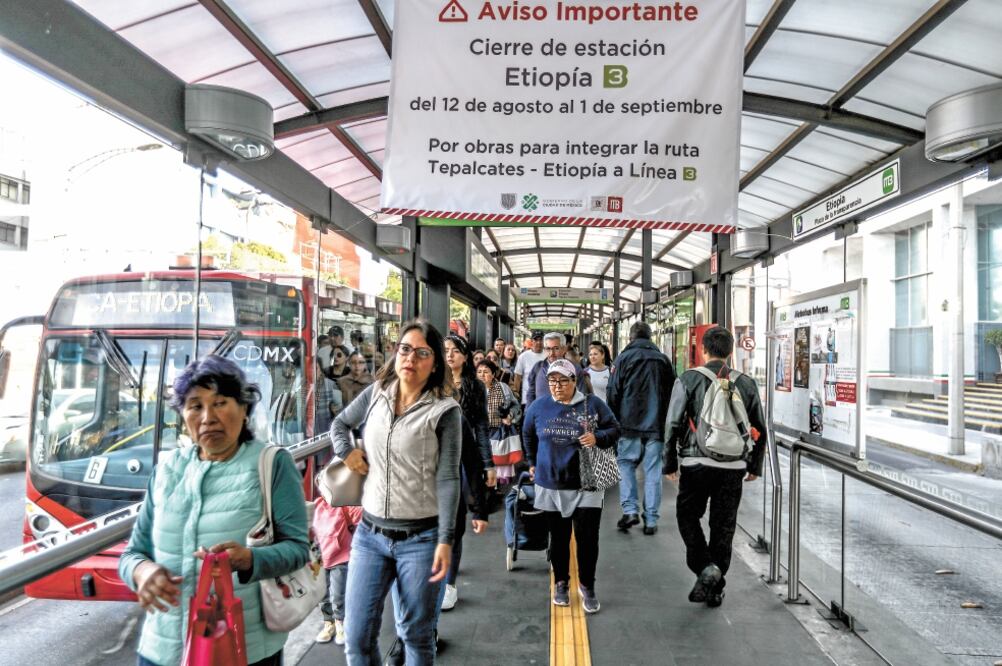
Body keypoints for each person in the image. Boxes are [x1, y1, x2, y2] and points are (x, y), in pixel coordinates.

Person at [119, 355, 310, 666]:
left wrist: (249, 559)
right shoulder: (167, 469)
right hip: (162, 650)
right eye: (195, 406)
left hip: (242, 648)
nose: (208, 417)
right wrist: (142, 572)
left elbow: (298, 549)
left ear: (244, 408)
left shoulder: (272, 464)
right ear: (183, 415)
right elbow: (133, 553)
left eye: (220, 403)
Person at [331, 320, 461, 665]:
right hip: (370, 536)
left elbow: (449, 477)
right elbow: (340, 424)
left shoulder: (444, 410)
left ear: (435, 363)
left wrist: (446, 539)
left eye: (422, 353)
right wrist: (346, 451)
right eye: (405, 349)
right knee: (357, 639)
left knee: (415, 636)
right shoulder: (377, 393)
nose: (410, 359)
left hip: (422, 539)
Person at [663, 326, 768, 608]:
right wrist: (755, 465)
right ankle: (716, 587)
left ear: (703, 349)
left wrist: (669, 461)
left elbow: (672, 423)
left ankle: (705, 568)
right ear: (731, 352)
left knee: (687, 515)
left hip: (696, 462)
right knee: (723, 526)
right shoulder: (746, 383)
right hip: (734, 465)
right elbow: (760, 426)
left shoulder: (688, 379)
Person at [523, 359, 619, 614]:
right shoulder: (539, 406)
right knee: (558, 538)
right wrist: (531, 462)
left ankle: (587, 585)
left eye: (563, 381)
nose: (556, 386)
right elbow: (528, 434)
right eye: (552, 381)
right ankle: (561, 583)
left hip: (587, 483)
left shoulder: (593, 404)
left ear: (574, 381)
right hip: (551, 482)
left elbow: (614, 429)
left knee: (587, 540)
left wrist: (597, 437)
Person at [607, 321, 676, 535]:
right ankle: (651, 520)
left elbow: (613, 392)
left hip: (628, 424)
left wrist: (613, 422)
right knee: (653, 469)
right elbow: (674, 393)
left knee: (626, 464)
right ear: (650, 337)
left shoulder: (623, 359)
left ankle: (630, 511)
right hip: (656, 425)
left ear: (631, 338)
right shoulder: (663, 360)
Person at [441, 334, 494, 610]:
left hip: (464, 457)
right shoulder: (433, 383)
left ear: (465, 356)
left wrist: (488, 463)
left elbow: (482, 428)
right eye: (445, 350)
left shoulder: (475, 387)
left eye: (455, 351)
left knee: (455, 518)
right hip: (436, 458)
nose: (449, 355)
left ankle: (449, 584)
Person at [314, 501, 363, 645]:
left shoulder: (344, 505)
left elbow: (361, 514)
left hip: (340, 558)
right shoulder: (317, 504)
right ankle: (329, 623)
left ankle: (340, 623)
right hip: (320, 559)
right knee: (322, 595)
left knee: (338, 595)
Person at [477, 358, 522, 483]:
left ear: (493, 374)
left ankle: (498, 489)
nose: (482, 375)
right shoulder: (473, 389)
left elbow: (515, 405)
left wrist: (510, 416)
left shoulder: (503, 387)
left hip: (500, 432)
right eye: (479, 372)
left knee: (500, 466)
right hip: (480, 434)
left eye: (486, 372)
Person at [524, 332, 591, 407]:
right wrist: (528, 412)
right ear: (544, 350)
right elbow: (531, 394)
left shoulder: (575, 369)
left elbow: (582, 397)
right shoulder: (538, 368)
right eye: (548, 349)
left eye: (556, 348)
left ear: (564, 349)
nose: (552, 353)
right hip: (540, 413)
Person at [513, 331, 546, 404]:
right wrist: (516, 394)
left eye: (541, 340)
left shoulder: (548, 355)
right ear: (532, 341)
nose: (538, 342)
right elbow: (517, 377)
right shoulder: (523, 356)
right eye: (536, 340)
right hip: (527, 399)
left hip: (544, 399)